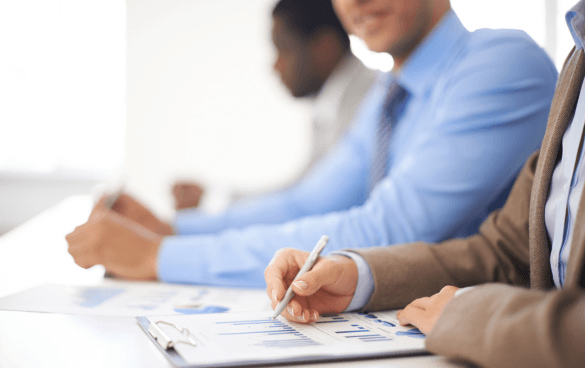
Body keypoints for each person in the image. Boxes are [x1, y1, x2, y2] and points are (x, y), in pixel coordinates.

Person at [66, 0, 558, 288]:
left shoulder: (501, 64)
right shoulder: (388, 93)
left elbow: (391, 228)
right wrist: (174, 230)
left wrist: (157, 259)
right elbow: (309, 200)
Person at [264, 2, 585, 366]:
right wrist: (358, 275)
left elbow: (385, 226)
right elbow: (508, 248)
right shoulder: (579, 53)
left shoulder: (503, 63)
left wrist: (474, 314)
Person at [172, 0, 376, 210]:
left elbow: (308, 202)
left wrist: (212, 205)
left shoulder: (362, 102)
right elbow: (302, 191)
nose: (275, 66)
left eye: (283, 49)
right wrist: (214, 199)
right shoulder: (337, 101)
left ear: (325, 48)